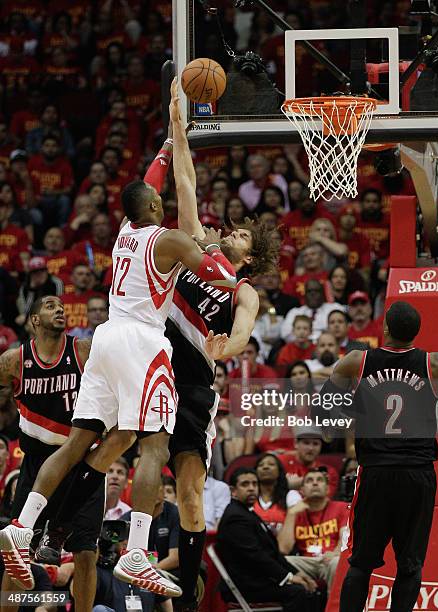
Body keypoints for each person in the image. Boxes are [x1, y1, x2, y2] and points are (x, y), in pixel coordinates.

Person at [0, 81, 240, 597]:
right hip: (141, 343)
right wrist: (230, 268)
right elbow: (215, 272)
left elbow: (150, 180)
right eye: (159, 198)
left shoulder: (125, 233)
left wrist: (171, 137)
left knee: (82, 439)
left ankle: (22, 528)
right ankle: (136, 553)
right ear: (154, 208)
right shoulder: (170, 238)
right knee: (153, 444)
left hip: (104, 336)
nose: (161, 197)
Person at [162, 80, 278, 611]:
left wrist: (222, 350)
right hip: (152, 365)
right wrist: (177, 128)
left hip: (193, 383)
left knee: (189, 488)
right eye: (232, 230)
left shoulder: (244, 288)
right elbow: (184, 184)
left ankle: (188, 586)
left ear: (251, 259)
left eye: (242, 236)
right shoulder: (195, 249)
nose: (231, 232)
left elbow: (241, 333)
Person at [318, 300, 438, 612]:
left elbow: (324, 410)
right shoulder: (437, 364)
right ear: (417, 333)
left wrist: (346, 418)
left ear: (386, 328)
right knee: (410, 564)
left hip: (375, 472)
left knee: (361, 562)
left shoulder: (356, 361)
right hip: (417, 474)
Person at [0, 295, 104, 612]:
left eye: (61, 306)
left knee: (86, 552)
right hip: (36, 466)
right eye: (49, 306)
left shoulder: (83, 351)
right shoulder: (14, 360)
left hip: (81, 466)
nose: (59, 309)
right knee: (18, 553)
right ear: (33, 320)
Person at [216, 468, 316, 611]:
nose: (251, 488)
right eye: (245, 484)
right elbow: (256, 556)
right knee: (298, 592)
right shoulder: (235, 518)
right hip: (246, 585)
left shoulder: (247, 513)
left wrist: (297, 573)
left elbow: (272, 552)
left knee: (308, 588)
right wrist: (288, 577)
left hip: (256, 580)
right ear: (233, 491)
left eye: (254, 484)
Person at [277, 468, 348, 593]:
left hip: (331, 558)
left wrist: (336, 553)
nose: (315, 483)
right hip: (307, 562)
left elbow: (345, 538)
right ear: (302, 491)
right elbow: (283, 549)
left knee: (338, 562)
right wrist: (292, 513)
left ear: (327, 489)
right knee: (280, 562)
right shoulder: (296, 512)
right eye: (309, 480)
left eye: (319, 480)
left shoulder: (341, 507)